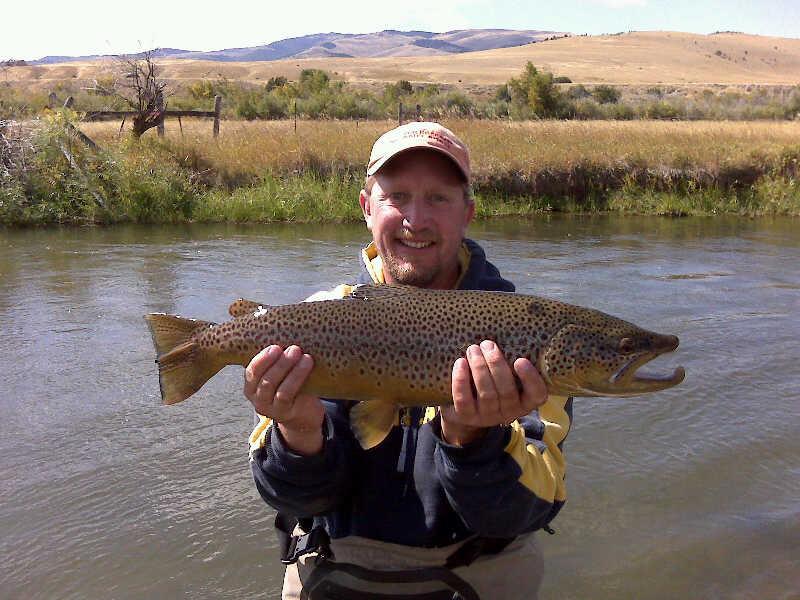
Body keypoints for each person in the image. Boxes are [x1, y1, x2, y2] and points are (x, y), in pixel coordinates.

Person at [245, 122, 572, 599]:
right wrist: (297, 435)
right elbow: (292, 500)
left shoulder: (525, 335)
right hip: (334, 573)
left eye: (438, 198)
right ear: (366, 208)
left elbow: (526, 512)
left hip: (474, 577)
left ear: (468, 214)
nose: (415, 220)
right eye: (396, 196)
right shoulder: (311, 324)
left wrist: (475, 441)